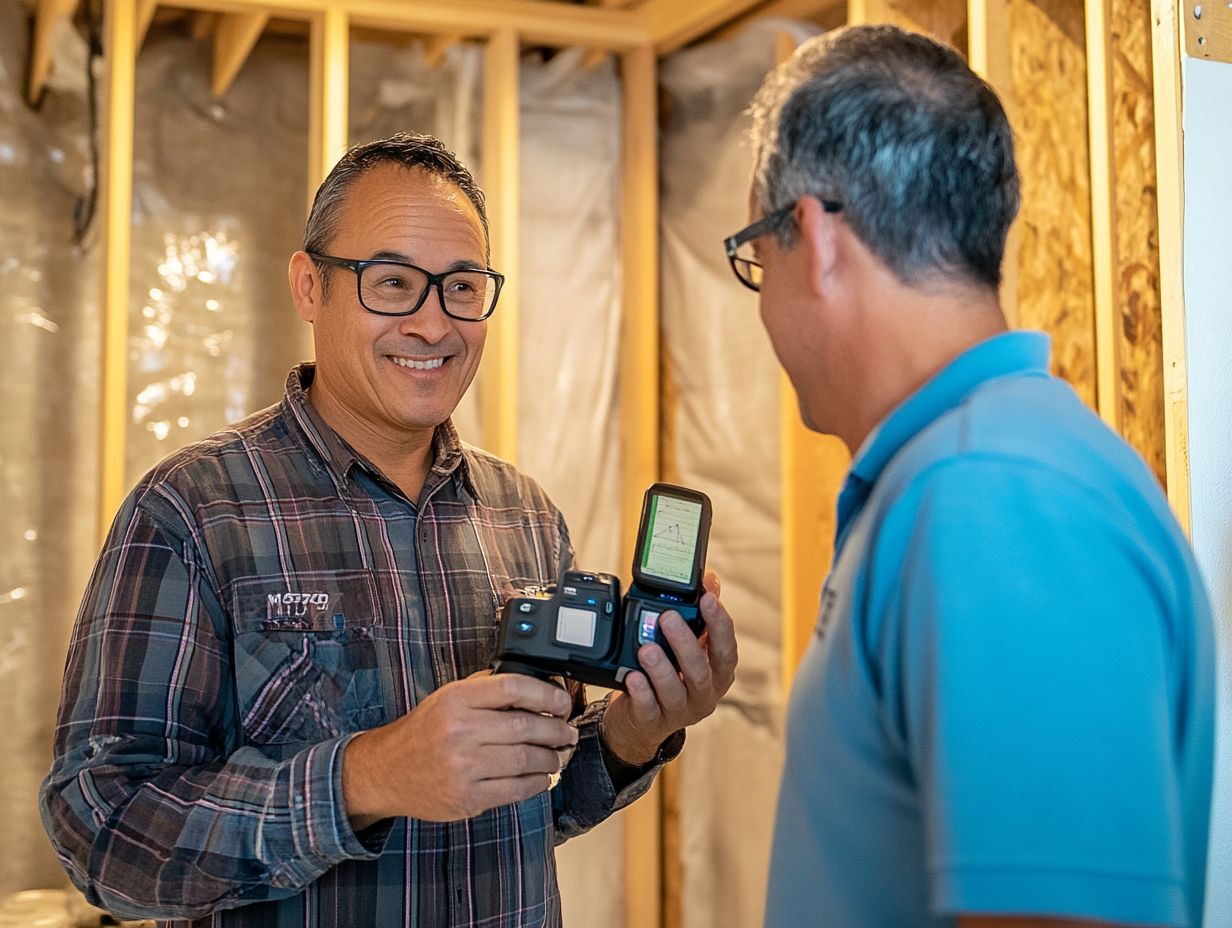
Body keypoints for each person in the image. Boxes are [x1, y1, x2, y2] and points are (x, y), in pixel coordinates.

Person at [41, 132, 738, 927]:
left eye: (463, 288)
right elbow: (101, 833)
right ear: (310, 286)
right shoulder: (194, 510)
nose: (434, 325)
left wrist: (633, 732)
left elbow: (531, 815)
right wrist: (366, 778)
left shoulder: (525, 516)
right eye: (394, 283)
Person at [726, 25, 1214, 928]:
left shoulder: (995, 499)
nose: (763, 303)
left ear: (815, 238)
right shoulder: (963, 479)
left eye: (757, 257)